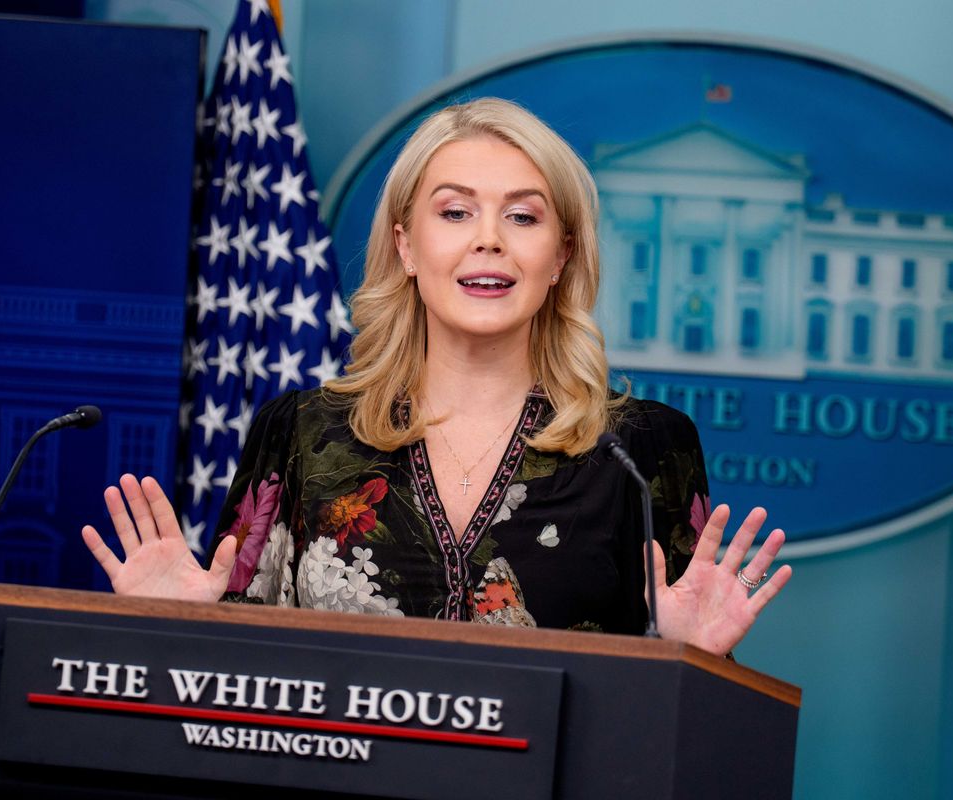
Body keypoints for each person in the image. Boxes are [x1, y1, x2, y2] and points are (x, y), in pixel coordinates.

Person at [82, 97, 791, 657]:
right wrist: (173, 624)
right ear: (406, 244)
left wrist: (693, 656)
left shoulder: (644, 449)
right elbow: (232, 680)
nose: (489, 238)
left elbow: (680, 721)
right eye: (455, 212)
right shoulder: (298, 432)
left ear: (561, 256)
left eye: (522, 216)